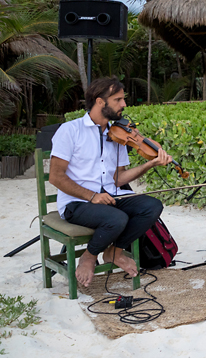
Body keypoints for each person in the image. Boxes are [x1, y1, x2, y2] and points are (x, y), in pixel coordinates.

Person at [49, 77, 171, 288]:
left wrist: (149, 165)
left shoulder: (117, 134)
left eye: (123, 99)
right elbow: (56, 177)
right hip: (77, 203)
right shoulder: (70, 130)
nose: (124, 105)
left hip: (111, 196)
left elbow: (118, 179)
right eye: (118, 100)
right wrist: (92, 196)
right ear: (99, 102)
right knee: (117, 219)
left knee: (152, 206)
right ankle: (89, 256)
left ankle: (113, 251)